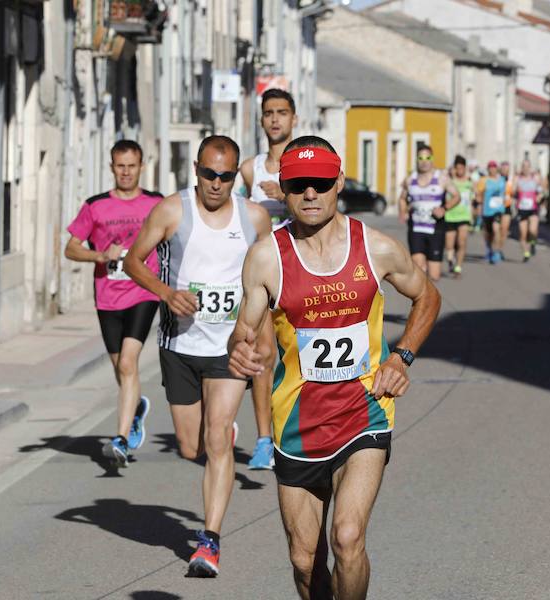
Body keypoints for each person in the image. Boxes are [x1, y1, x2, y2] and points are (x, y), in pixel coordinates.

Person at [227, 135, 441, 600]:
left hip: (365, 411)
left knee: (347, 537)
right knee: (305, 561)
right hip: (297, 424)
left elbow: (428, 295)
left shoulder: (376, 248)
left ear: (339, 183)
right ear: (283, 188)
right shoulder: (266, 257)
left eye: (320, 183)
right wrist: (238, 351)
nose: (310, 193)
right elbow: (243, 334)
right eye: (299, 184)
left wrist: (402, 355)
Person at [124, 135, 272, 577]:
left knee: (216, 440)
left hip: (230, 347)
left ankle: (209, 541)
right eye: (209, 174)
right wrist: (166, 294)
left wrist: (263, 337)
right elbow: (134, 261)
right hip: (179, 347)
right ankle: (217, 432)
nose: (217, 184)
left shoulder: (255, 218)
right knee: (192, 447)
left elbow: (267, 279)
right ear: (196, 169)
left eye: (226, 177)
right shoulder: (172, 211)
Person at [65, 139, 161, 467]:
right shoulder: (96, 206)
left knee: (128, 364)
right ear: (111, 167)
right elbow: (71, 248)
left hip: (143, 292)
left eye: (131, 166)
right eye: (120, 166)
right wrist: (98, 255)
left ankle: (120, 438)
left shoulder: (156, 204)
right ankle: (134, 409)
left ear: (141, 167)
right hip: (108, 296)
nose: (125, 172)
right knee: (120, 366)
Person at [239, 88, 297, 470]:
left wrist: (286, 192)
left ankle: (294, 433)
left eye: (282, 112)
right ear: (261, 120)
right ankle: (264, 440)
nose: (275, 119)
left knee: (297, 356)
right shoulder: (249, 168)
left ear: (294, 118)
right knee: (262, 355)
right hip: (261, 273)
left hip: (298, 269)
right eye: (268, 113)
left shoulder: (304, 163)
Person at [397, 144, 458, 281]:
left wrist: (444, 208)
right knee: (418, 269)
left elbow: (456, 196)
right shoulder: (410, 180)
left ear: (432, 159)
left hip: (435, 229)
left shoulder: (441, 178)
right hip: (416, 228)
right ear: (417, 160)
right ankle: (423, 298)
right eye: (421, 158)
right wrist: (403, 211)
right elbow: (402, 199)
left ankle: (429, 296)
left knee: (434, 275)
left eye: (427, 157)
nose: (424, 161)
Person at [444, 155, 474, 278]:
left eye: (462, 168)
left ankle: (458, 267)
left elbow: (471, 201)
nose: (460, 170)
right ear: (455, 168)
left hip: (464, 216)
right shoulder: (450, 181)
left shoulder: (469, 183)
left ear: (465, 168)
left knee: (462, 242)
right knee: (449, 244)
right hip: (450, 216)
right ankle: (451, 261)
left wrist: (472, 216)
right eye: (458, 168)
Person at [477, 160, 507, 264]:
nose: (492, 169)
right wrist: (479, 206)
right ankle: (489, 249)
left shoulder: (502, 180)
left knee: (496, 229)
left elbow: (506, 193)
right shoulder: (483, 180)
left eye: (494, 167)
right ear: (488, 169)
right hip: (487, 210)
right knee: (488, 233)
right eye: (490, 167)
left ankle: (496, 252)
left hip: (498, 210)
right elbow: (479, 195)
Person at [513, 159, 543, 262]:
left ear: (530, 168)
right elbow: (512, 192)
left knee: (532, 230)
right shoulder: (517, 179)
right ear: (522, 168)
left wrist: (539, 196)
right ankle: (526, 253)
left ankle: (533, 243)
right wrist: (516, 190)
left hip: (533, 208)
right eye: (524, 166)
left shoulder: (535, 178)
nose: (525, 168)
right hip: (522, 209)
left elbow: (540, 191)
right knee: (523, 233)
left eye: (527, 166)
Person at [499, 160, 514, 257]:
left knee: (504, 230)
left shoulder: (511, 180)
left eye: (507, 168)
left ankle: (499, 249)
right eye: (503, 168)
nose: (505, 170)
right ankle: (493, 247)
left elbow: (515, 192)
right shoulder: (497, 179)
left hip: (507, 207)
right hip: (496, 207)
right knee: (496, 230)